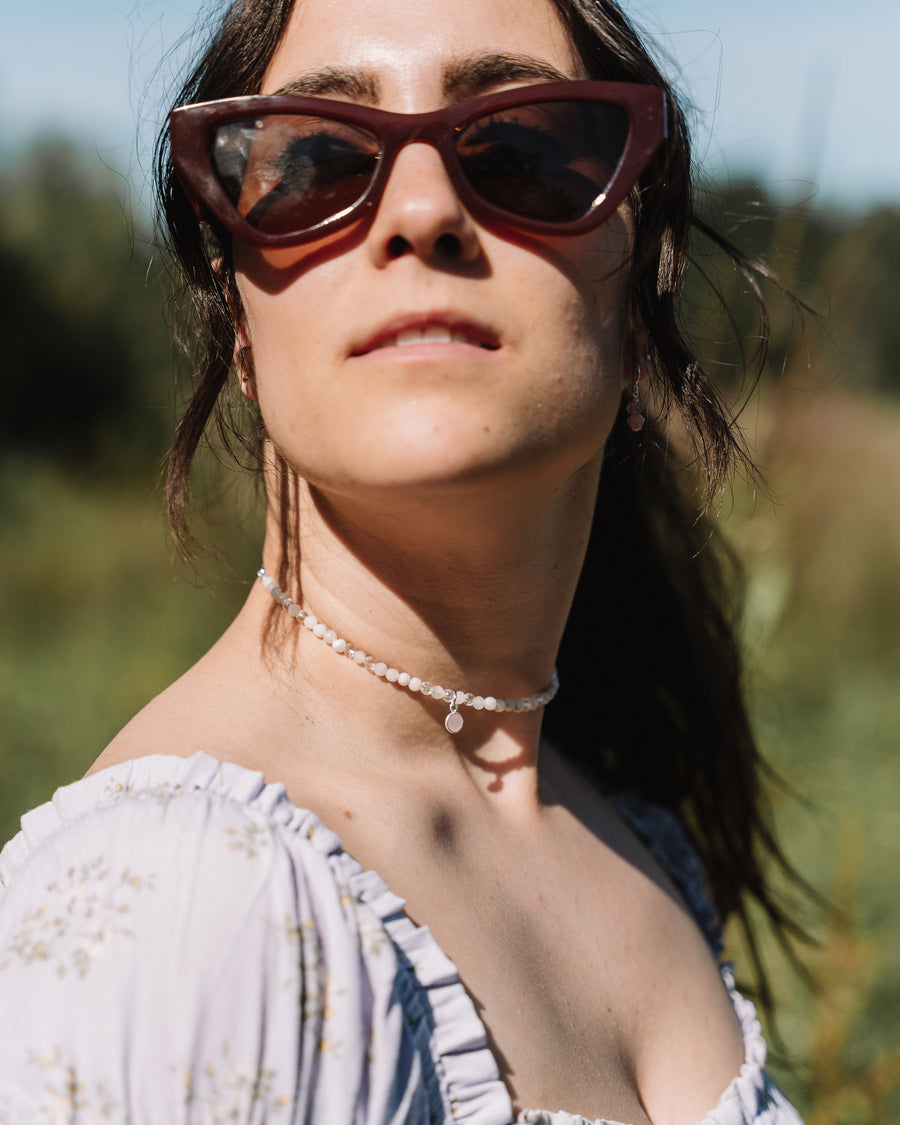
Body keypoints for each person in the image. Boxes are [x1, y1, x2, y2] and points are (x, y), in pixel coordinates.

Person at [0, 0, 807, 1121]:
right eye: (316, 160)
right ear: (239, 320)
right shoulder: (192, 904)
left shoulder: (634, 840)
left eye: (523, 150)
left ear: (639, 305)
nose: (420, 213)